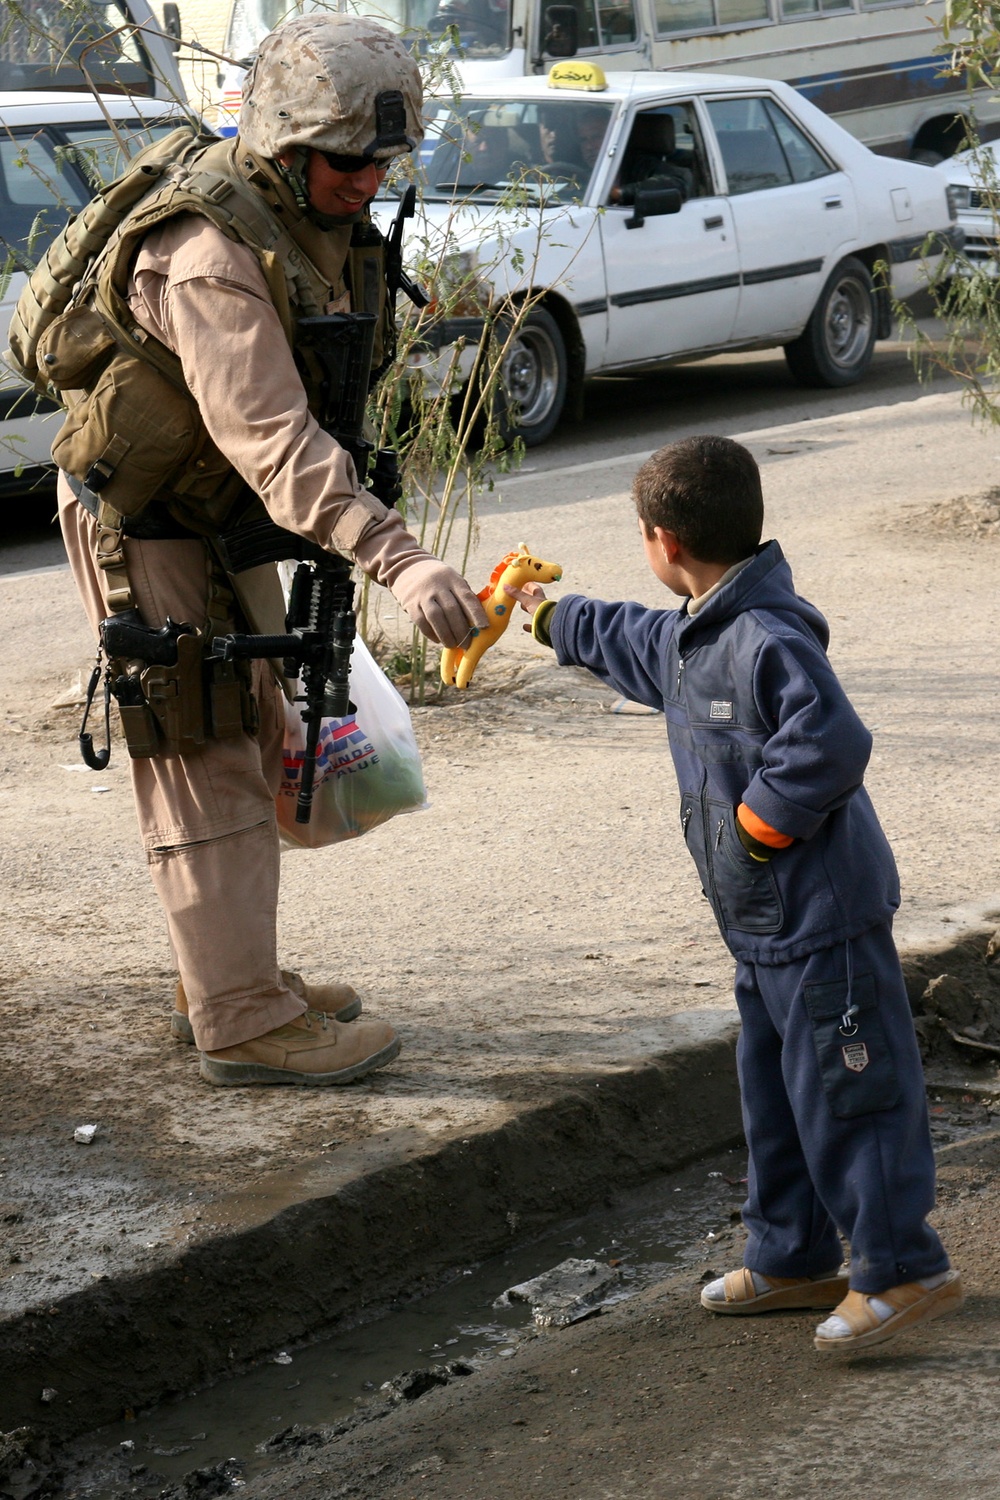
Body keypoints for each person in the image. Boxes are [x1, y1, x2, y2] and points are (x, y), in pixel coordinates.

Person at [54, 14, 488, 1087]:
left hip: (211, 514)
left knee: (250, 737)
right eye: (347, 161)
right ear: (285, 147)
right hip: (144, 522)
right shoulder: (207, 253)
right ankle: (242, 1019)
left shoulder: (308, 220)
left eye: (384, 160)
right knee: (198, 752)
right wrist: (400, 557)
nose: (367, 181)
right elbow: (273, 439)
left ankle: (226, 978)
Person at [505, 435, 963, 1353]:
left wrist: (758, 826)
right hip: (762, 931)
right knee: (779, 1095)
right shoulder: (697, 632)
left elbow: (832, 738)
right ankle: (793, 1254)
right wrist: (545, 617)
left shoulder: (765, 635)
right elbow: (631, 640)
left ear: (663, 540)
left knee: (850, 1098)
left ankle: (901, 1269)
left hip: (824, 924)